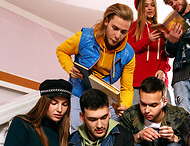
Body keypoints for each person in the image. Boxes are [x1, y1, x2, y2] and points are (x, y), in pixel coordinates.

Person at [56, 3, 135, 132]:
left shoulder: (129, 54)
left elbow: (127, 88)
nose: (118, 36)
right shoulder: (84, 37)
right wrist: (70, 68)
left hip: (103, 95)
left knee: (115, 128)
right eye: (114, 28)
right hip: (78, 92)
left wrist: (124, 105)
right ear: (106, 21)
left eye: (123, 32)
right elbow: (61, 50)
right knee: (78, 130)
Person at [128, 0, 171, 105]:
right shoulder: (133, 26)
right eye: (146, 6)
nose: (150, 8)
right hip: (138, 83)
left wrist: (162, 69)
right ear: (140, 8)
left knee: (167, 117)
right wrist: (148, 40)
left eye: (152, 5)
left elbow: (165, 54)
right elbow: (128, 51)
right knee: (137, 119)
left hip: (159, 82)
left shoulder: (161, 28)